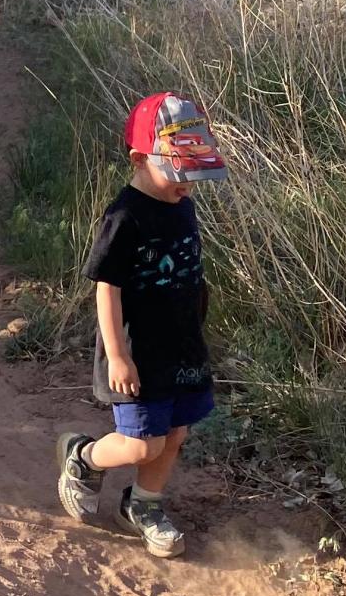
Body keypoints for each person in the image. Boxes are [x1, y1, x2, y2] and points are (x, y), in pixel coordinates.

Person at [53, 92, 228, 559]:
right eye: (178, 171)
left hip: (182, 344)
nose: (187, 184)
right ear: (139, 158)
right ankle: (84, 458)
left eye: (194, 172)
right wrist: (117, 355)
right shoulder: (124, 216)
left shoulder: (182, 205)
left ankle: (144, 505)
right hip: (136, 351)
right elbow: (106, 289)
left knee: (175, 434)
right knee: (140, 445)